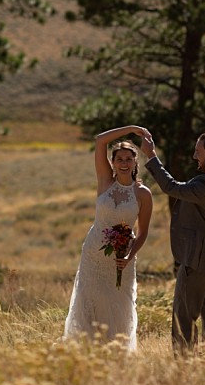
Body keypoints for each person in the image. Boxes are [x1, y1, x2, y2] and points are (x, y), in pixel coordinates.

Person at [139, 130, 205, 352]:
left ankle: (184, 366)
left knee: (183, 317)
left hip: (198, 262)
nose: (195, 156)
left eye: (198, 151)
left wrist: (151, 157)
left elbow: (172, 188)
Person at [63, 125, 153, 351]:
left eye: (128, 159)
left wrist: (129, 257)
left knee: (116, 305)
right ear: (112, 162)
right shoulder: (105, 182)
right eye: (119, 159)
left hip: (121, 260)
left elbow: (143, 232)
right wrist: (133, 129)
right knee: (89, 301)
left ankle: (115, 353)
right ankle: (87, 353)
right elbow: (100, 140)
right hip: (93, 254)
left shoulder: (142, 194)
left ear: (135, 163)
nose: (124, 163)